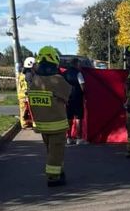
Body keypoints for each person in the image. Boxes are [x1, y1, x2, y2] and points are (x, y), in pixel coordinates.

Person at [28, 46, 71, 187]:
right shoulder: (58, 80)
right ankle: (53, 177)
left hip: (42, 124)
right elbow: (68, 96)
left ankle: (60, 171)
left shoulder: (35, 81)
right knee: (56, 151)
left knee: (52, 152)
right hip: (57, 124)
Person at [62, 57, 85, 145]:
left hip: (67, 98)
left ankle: (68, 138)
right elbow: (82, 86)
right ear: (76, 64)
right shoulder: (78, 73)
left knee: (69, 118)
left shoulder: (64, 74)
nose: (80, 65)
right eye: (79, 64)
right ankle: (79, 138)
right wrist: (85, 94)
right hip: (77, 98)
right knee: (78, 118)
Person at [17, 56, 35, 129]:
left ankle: (24, 124)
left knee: (23, 110)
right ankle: (34, 124)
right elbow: (29, 85)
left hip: (21, 95)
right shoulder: (30, 75)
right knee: (32, 110)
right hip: (27, 94)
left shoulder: (21, 74)